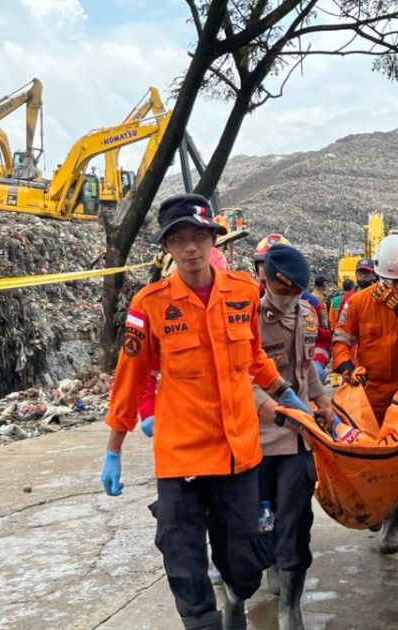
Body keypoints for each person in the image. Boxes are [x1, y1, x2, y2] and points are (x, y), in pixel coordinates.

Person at [101, 194, 312, 630]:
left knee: (244, 567)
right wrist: (115, 447)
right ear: (168, 247)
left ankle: (236, 594)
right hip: (182, 460)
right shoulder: (150, 304)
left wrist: (286, 394)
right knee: (183, 561)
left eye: (199, 236)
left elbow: (254, 356)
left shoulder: (241, 292)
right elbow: (130, 377)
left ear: (212, 238)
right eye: (179, 239)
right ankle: (204, 622)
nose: (191, 248)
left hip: (238, 457)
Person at [253, 244, 334, 630]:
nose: (290, 300)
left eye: (295, 294)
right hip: (260, 436)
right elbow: (243, 376)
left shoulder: (305, 312)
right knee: (261, 518)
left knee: (297, 518)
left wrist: (323, 402)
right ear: (268, 282)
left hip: (300, 436)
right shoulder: (250, 317)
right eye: (284, 293)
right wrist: (274, 407)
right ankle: (267, 565)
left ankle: (291, 604)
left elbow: (306, 369)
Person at [332, 235, 398, 554]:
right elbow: (340, 341)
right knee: (368, 459)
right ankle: (376, 508)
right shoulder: (357, 302)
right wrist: (346, 368)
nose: (392, 287)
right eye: (386, 280)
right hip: (368, 397)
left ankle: (394, 524)